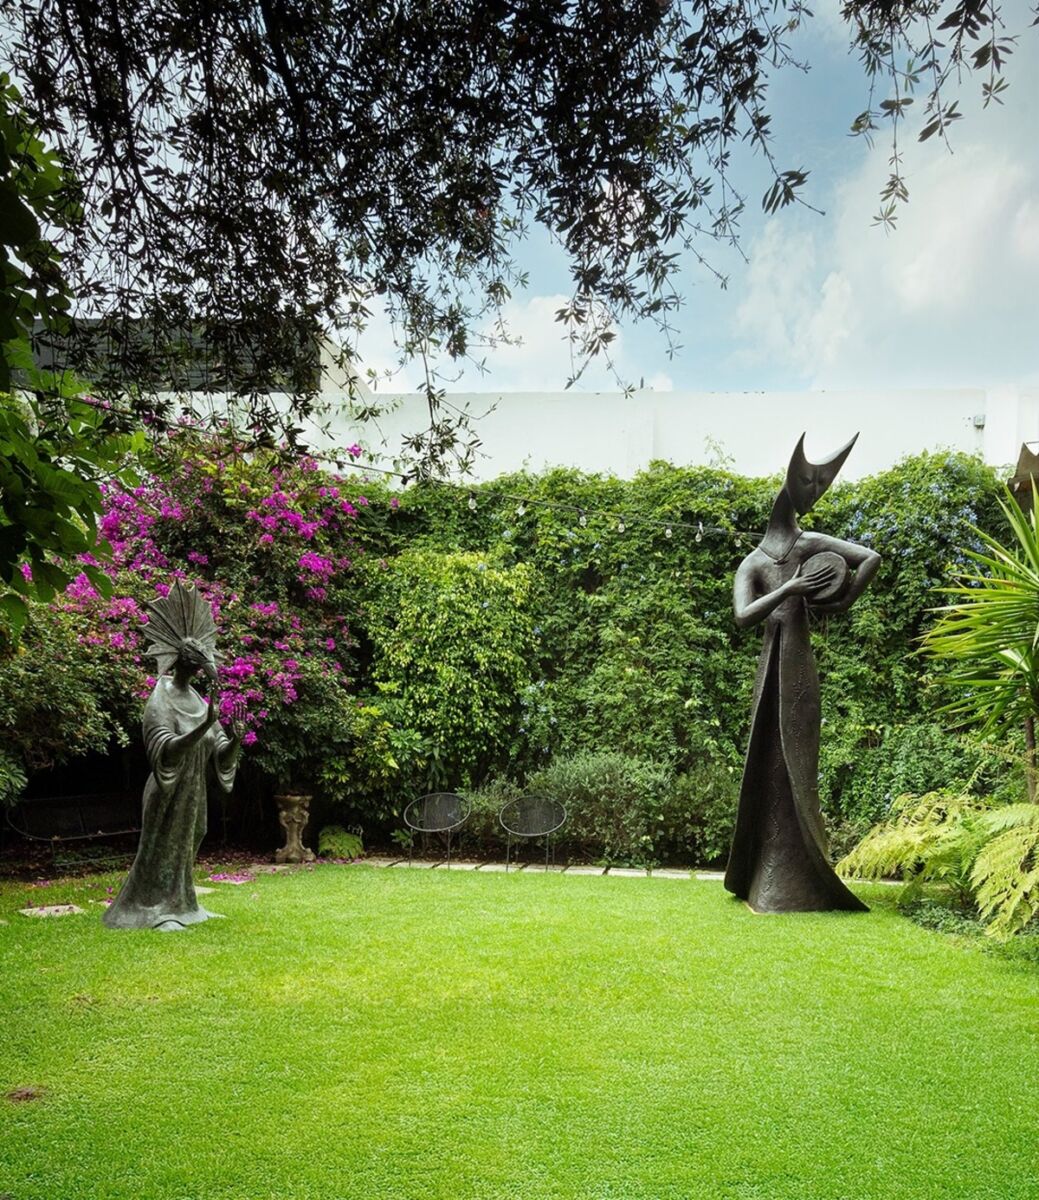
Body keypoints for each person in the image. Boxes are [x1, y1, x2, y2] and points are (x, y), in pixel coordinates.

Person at [725, 433, 880, 913]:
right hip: (769, 668)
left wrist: (840, 599)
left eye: (821, 485)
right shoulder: (753, 562)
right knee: (766, 759)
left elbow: (869, 558)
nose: (814, 492)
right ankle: (766, 877)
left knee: (797, 760)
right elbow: (744, 616)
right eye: (808, 483)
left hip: (798, 670)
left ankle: (798, 878)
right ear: (791, 485)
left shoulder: (810, 543)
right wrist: (791, 588)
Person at [104, 582, 246, 931]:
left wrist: (237, 740)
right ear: (184, 662)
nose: (203, 669)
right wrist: (204, 727)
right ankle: (152, 909)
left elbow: (220, 750)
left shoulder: (198, 700)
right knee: (160, 848)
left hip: (192, 790)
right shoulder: (161, 695)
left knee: (190, 839)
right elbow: (164, 749)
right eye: (199, 664)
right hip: (167, 790)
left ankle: (183, 905)